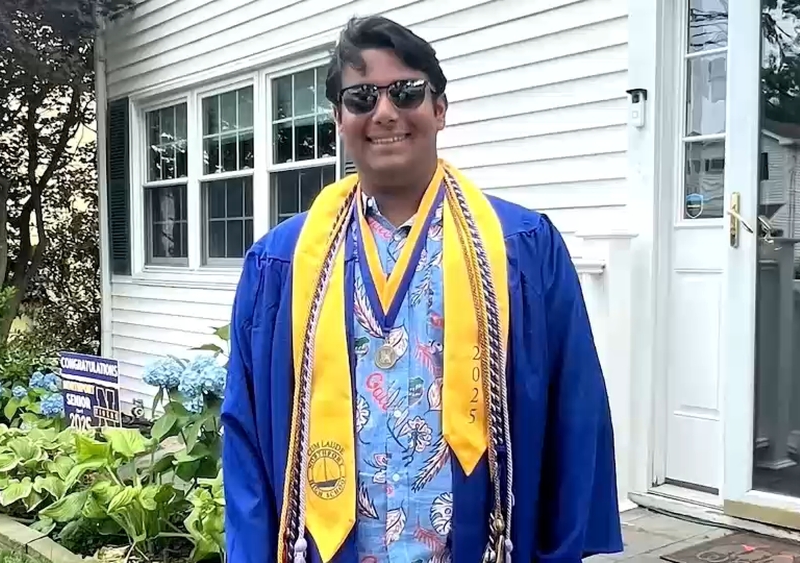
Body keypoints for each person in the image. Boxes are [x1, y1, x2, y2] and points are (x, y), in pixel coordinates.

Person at [222, 15, 623, 563]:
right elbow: (245, 436)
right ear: (339, 118)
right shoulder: (282, 263)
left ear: (439, 108)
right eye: (361, 97)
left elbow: (574, 413)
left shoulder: (521, 248)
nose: (385, 112)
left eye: (406, 91)